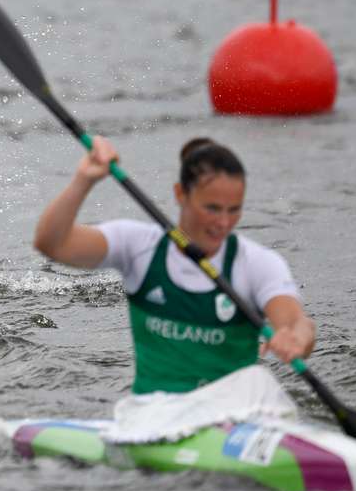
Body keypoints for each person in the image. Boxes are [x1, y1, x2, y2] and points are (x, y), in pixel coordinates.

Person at [32, 136, 316, 399]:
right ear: (181, 195)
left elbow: (294, 321)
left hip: (233, 413)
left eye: (234, 210)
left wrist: (295, 338)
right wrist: (84, 180)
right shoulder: (138, 245)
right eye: (213, 208)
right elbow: (52, 244)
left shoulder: (256, 262)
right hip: (155, 414)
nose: (224, 223)